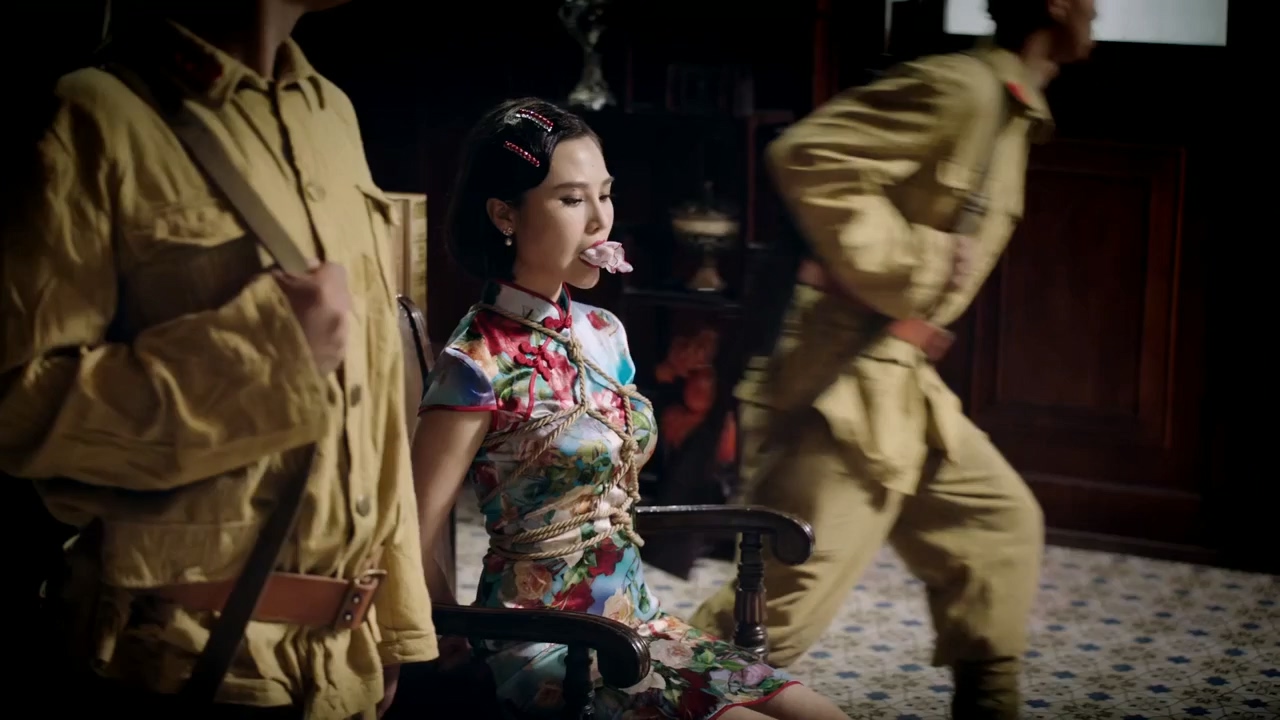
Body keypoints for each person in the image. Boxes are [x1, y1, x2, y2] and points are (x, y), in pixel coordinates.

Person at [0, 1, 437, 717]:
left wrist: (392, 627)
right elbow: (20, 409)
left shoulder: (330, 113)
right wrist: (268, 355)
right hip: (177, 658)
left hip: (342, 667)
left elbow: (376, 402)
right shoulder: (94, 113)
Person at [688, 1, 1097, 718]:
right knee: (779, 609)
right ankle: (634, 691)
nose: (1098, 10)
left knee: (997, 530)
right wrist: (920, 263)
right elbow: (809, 154)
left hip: (900, 379)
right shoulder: (962, 88)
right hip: (841, 385)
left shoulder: (1011, 108)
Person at [410, 98, 850, 720]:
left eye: (605, 194)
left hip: (638, 622)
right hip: (547, 641)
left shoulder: (604, 333)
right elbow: (413, 526)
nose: (600, 220)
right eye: (572, 199)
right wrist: (444, 632)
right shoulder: (477, 362)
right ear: (505, 214)